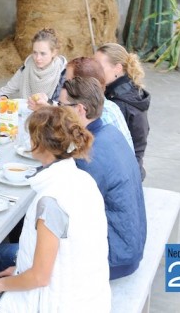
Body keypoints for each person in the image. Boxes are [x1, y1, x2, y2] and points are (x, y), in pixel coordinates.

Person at [0, 105, 110, 312]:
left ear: (39, 144)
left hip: (55, 303)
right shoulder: (83, 179)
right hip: (87, 293)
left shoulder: (51, 201)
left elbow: (40, 277)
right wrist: (19, 271)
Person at [59, 76, 147, 280]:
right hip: (128, 245)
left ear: (80, 109)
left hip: (112, 259)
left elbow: (65, 213)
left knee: (0, 257)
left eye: (62, 105)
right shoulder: (110, 132)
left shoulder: (87, 157)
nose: (57, 110)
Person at [28, 56, 134, 152]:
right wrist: (49, 105)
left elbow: (70, 146)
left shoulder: (101, 118)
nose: (64, 84)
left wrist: (48, 112)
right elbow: (71, 110)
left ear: (82, 85)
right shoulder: (106, 105)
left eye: (69, 81)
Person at [94, 43, 151, 180]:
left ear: (118, 68)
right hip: (132, 166)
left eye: (99, 67)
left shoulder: (118, 102)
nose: (94, 72)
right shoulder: (127, 88)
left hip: (124, 173)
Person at [0, 28, 67, 102]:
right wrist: (2, 97)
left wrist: (47, 104)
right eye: (35, 52)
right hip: (27, 111)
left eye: (43, 53)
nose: (38, 58)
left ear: (54, 52)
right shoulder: (26, 68)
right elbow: (5, 91)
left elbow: (66, 108)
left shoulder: (63, 73)